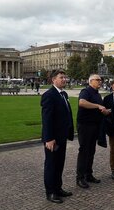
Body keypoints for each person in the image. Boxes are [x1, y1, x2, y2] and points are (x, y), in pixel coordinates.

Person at [41, 69, 74, 204]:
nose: (64, 79)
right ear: (53, 79)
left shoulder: (63, 94)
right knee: (51, 165)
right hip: (52, 138)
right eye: (61, 77)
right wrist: (49, 138)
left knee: (60, 164)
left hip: (62, 137)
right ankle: (51, 192)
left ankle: (58, 188)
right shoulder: (49, 95)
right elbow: (47, 119)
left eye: (65, 77)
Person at [76, 74, 110, 189]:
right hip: (85, 126)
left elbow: (98, 109)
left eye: (101, 80)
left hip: (95, 126)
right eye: (98, 80)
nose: (100, 81)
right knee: (84, 151)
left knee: (91, 151)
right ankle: (80, 178)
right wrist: (97, 106)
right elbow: (82, 102)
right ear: (91, 81)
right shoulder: (86, 91)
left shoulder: (97, 93)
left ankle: (88, 174)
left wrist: (104, 111)